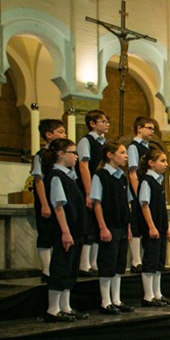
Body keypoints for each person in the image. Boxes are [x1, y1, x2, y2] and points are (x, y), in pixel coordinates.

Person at [42, 138, 89, 322]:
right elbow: (59, 206)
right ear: (60, 154)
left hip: (75, 230)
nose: (76, 157)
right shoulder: (56, 176)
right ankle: (53, 309)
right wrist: (65, 231)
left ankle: (66, 307)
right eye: (72, 152)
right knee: (61, 267)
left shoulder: (69, 176)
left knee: (70, 269)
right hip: (65, 230)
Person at [91, 141, 134, 315]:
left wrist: (129, 226)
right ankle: (105, 301)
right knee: (107, 262)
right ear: (110, 154)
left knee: (119, 264)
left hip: (122, 225)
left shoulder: (122, 176)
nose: (126, 156)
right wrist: (102, 227)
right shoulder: (100, 176)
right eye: (122, 152)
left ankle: (116, 299)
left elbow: (126, 203)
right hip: (109, 226)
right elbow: (97, 203)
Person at [137, 148, 170, 307]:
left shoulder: (158, 181)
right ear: (151, 163)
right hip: (151, 228)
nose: (166, 164)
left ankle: (157, 293)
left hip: (159, 227)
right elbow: (144, 205)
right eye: (162, 161)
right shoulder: (147, 180)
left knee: (159, 262)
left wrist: (164, 227)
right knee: (151, 261)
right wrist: (152, 227)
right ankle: (148, 296)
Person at [31, 119, 67, 283]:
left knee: (57, 233)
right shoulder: (41, 156)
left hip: (59, 200)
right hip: (46, 200)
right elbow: (39, 180)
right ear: (48, 134)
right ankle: (46, 270)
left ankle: (56, 267)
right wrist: (44, 204)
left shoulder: (60, 156)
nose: (64, 135)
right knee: (45, 233)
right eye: (60, 132)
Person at [75, 109, 109, 276]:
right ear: (92, 123)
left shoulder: (104, 142)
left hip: (101, 187)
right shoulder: (85, 141)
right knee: (88, 226)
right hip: (88, 188)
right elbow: (83, 166)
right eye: (103, 121)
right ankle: (84, 264)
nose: (106, 124)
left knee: (97, 227)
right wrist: (89, 192)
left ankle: (95, 263)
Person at [127, 116, 155, 273]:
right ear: (139, 128)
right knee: (136, 226)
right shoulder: (133, 147)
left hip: (147, 189)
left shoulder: (148, 148)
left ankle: (145, 259)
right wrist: (138, 195)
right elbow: (133, 173)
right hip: (138, 190)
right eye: (149, 128)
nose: (152, 131)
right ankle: (136, 261)